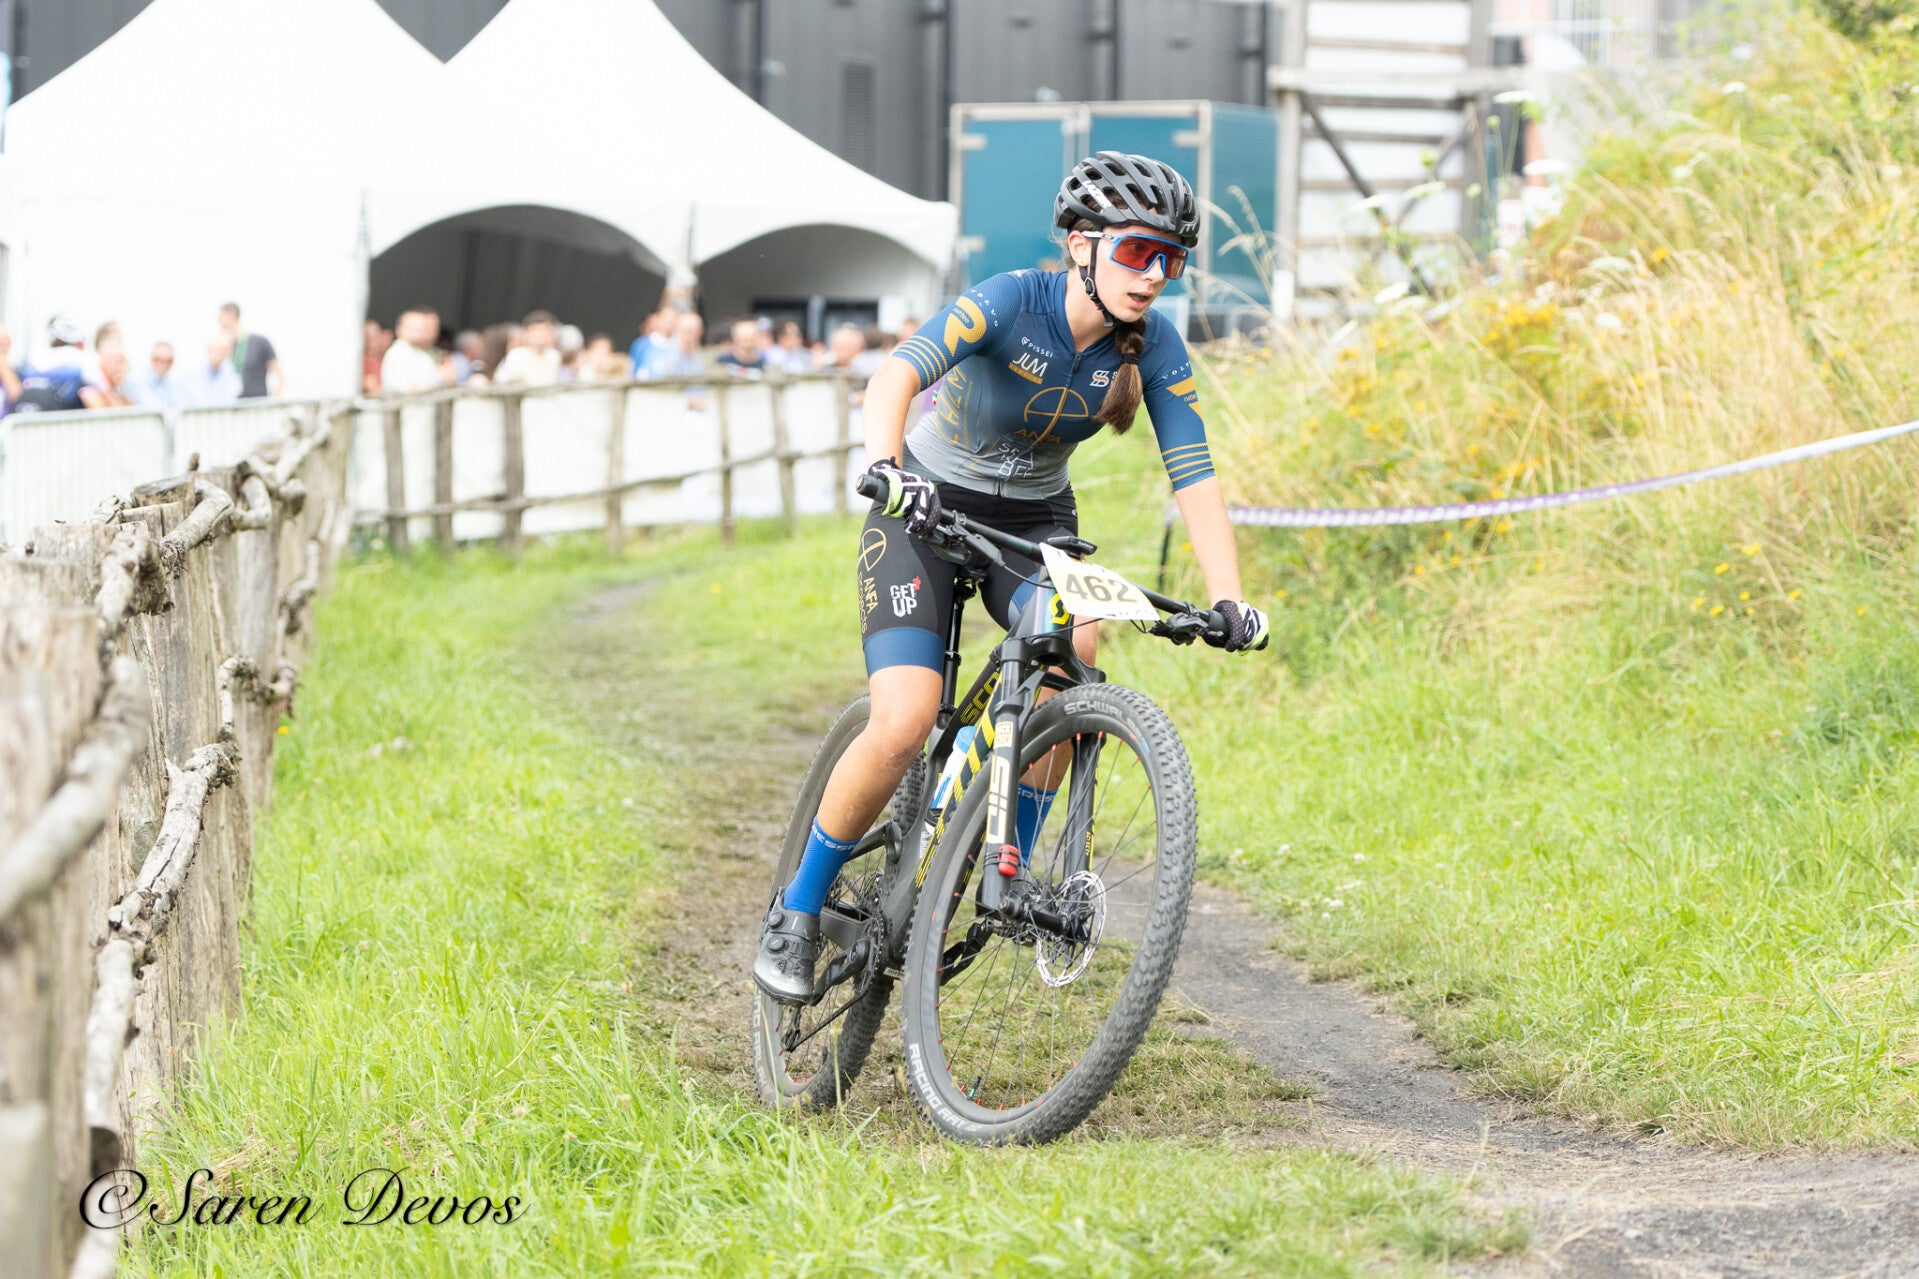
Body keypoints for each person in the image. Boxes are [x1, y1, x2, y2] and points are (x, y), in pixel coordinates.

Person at [753, 152, 1270, 1004]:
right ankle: (797, 908)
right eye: (1137, 251)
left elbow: (1194, 474)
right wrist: (885, 467)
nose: (1153, 275)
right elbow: (895, 374)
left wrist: (1229, 598)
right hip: (923, 507)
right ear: (1080, 245)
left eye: (1170, 260)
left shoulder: (1154, 344)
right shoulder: (1008, 300)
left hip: (1033, 523)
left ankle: (1004, 872)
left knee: (1074, 653)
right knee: (903, 718)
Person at [11, 315, 106, 412]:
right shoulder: (81, 358)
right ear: (80, 344)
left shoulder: (34, 357)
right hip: (64, 415)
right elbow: (103, 387)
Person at [217, 302, 283, 398]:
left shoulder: (260, 343)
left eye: (221, 317)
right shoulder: (221, 348)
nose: (219, 322)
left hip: (257, 403)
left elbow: (280, 377)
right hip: (232, 404)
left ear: (231, 315)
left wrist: (272, 399)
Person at [380, 308, 449, 393]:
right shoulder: (397, 353)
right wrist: (438, 378)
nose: (420, 331)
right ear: (399, 329)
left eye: (422, 327)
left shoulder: (423, 355)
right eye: (414, 327)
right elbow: (405, 391)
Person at [492, 310, 562, 385]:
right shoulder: (516, 356)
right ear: (526, 333)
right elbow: (501, 382)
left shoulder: (554, 356)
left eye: (546, 329)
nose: (541, 334)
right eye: (535, 329)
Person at [183, 334, 243, 406]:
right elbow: (196, 398)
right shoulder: (195, 369)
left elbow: (233, 393)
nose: (219, 353)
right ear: (208, 349)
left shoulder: (228, 367)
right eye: (216, 349)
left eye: (223, 350)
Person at [129, 341, 190, 410]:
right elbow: (151, 406)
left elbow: (183, 404)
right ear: (151, 359)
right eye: (157, 359)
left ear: (172, 363)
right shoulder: (138, 379)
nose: (163, 365)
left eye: (168, 361)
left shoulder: (175, 381)